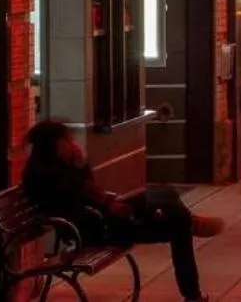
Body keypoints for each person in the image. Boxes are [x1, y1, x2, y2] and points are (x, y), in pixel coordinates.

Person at [21, 120, 223, 302]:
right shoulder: (45, 175)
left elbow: (87, 191)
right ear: (53, 144)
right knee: (178, 223)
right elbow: (79, 198)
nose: (72, 143)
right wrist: (108, 204)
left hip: (103, 218)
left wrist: (81, 165)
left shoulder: (54, 166)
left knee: (165, 193)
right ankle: (190, 233)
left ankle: (189, 221)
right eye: (66, 140)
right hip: (97, 231)